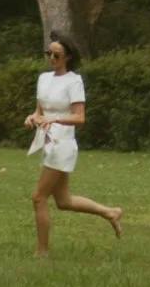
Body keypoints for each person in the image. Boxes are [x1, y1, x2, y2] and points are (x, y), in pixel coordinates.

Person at [28, 32, 122, 254]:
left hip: (63, 145)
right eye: (48, 53)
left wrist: (55, 118)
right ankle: (110, 212)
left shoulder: (74, 81)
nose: (51, 58)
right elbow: (39, 110)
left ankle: (41, 253)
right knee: (63, 201)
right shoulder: (44, 79)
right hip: (47, 141)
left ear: (67, 56)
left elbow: (80, 118)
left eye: (56, 55)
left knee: (38, 197)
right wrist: (32, 117)